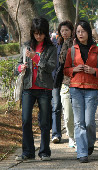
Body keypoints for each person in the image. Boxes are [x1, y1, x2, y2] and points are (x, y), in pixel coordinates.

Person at [64, 20, 98, 163]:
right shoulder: (72, 50)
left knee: (89, 122)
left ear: (88, 32)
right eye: (78, 31)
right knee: (79, 122)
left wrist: (93, 71)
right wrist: (73, 70)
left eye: (83, 31)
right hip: (75, 88)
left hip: (92, 89)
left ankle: (89, 144)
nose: (80, 34)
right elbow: (65, 70)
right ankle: (82, 152)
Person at [15, 17, 57, 161]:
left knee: (44, 122)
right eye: (36, 33)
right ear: (32, 32)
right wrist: (21, 67)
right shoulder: (26, 46)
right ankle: (27, 152)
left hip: (44, 88)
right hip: (28, 87)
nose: (38, 36)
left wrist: (36, 58)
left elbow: (51, 67)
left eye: (41, 33)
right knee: (26, 120)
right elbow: (18, 64)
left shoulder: (51, 48)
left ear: (46, 33)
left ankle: (44, 151)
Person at [53, 20, 76, 148]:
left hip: (75, 80)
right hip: (60, 81)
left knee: (75, 112)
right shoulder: (57, 44)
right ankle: (61, 134)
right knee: (59, 108)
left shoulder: (76, 43)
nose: (64, 33)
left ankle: (75, 136)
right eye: (62, 31)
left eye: (66, 30)